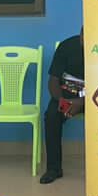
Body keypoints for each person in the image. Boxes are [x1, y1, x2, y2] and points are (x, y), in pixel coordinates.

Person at [40, 27, 84, 185]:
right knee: (51, 116)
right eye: (84, 37)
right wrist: (61, 101)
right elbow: (53, 80)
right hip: (65, 95)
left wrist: (82, 102)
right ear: (81, 35)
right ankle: (54, 169)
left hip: (93, 98)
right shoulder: (66, 46)